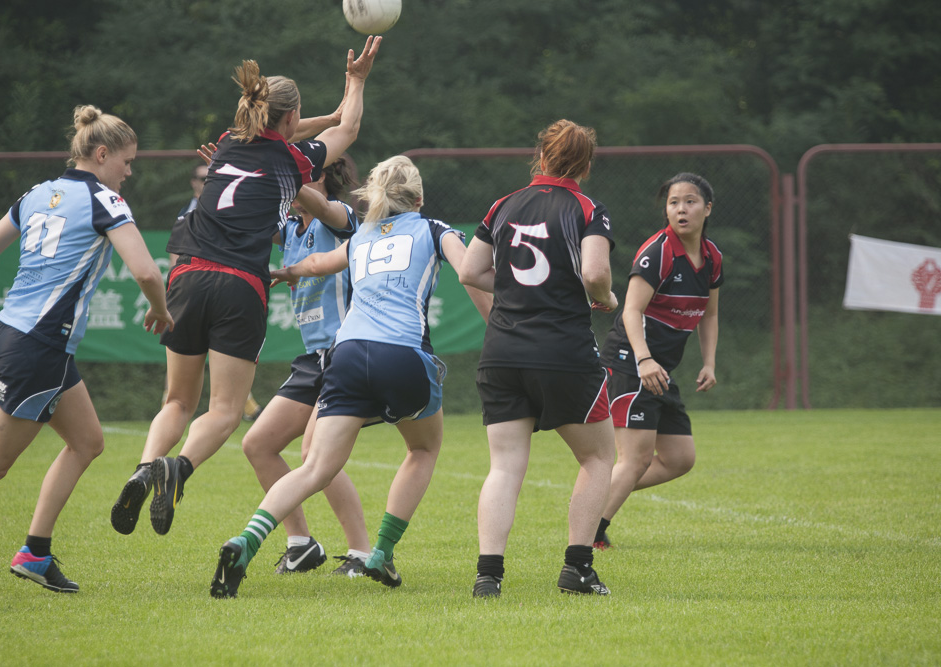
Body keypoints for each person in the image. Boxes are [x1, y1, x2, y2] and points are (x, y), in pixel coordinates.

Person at [109, 36, 381, 538]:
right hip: (238, 284)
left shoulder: (229, 142)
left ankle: (145, 468)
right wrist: (356, 82)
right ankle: (179, 468)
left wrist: (318, 117)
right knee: (225, 411)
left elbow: (295, 128)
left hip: (187, 275)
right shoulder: (292, 162)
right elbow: (348, 128)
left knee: (176, 401)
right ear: (290, 118)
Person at [209, 155, 492, 598]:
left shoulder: (361, 236)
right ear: (418, 199)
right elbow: (471, 271)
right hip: (402, 353)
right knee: (423, 448)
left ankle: (247, 539)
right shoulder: (434, 229)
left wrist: (285, 271)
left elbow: (318, 264)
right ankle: (381, 552)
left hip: (347, 355)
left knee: (316, 466)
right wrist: (525, 295)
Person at [0, 105, 173, 592]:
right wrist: (161, 310)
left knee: (87, 441)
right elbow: (147, 272)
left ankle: (35, 553)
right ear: (102, 154)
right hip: (39, 345)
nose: (129, 172)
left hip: (19, 335)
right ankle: (32, 553)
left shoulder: (37, 194)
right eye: (127, 162)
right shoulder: (106, 200)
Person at [458, 119, 618, 598]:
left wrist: (511, 287)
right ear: (585, 165)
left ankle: (488, 576)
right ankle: (577, 569)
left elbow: (470, 271)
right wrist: (606, 298)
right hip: (563, 351)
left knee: (505, 466)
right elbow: (595, 273)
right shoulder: (587, 208)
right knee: (598, 457)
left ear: (541, 156)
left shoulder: (503, 204)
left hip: (502, 352)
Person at [240, 155, 373, 576]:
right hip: (314, 359)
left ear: (323, 178)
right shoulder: (289, 229)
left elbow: (321, 206)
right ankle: (301, 544)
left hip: (345, 353)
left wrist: (286, 172)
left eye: (302, 174)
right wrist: (238, 173)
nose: (291, 184)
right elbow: (248, 213)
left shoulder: (341, 218)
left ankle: (363, 553)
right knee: (257, 444)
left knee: (316, 454)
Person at [593, 172, 722, 549]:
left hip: (658, 369)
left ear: (707, 209)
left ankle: (593, 494)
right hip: (630, 361)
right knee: (635, 459)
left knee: (680, 458)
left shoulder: (712, 258)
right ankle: (591, 532)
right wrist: (644, 359)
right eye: (673, 202)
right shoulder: (658, 252)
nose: (681, 209)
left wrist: (709, 363)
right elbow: (631, 310)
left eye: (690, 201)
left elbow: (710, 314)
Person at [163, 164, 263, 422]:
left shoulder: (225, 205)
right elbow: (175, 257)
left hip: (206, 288)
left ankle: (246, 404)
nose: (206, 181)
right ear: (193, 183)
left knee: (187, 391)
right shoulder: (192, 211)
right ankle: (244, 406)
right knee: (204, 399)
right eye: (201, 178)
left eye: (211, 177)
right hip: (202, 287)